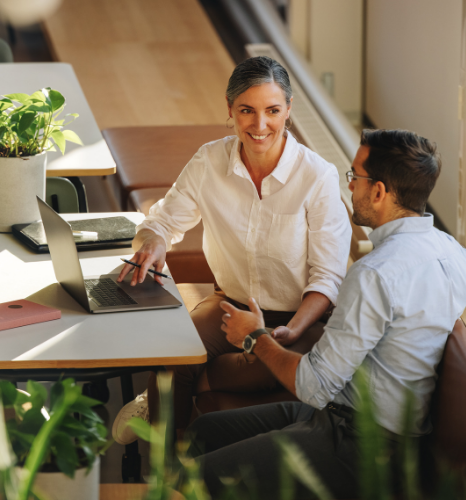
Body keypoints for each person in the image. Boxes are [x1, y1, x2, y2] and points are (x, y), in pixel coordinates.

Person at [186, 129, 466, 499]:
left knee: (197, 476)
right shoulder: (448, 251)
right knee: (203, 431)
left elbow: (312, 385)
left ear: (379, 191)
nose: (349, 186)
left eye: (354, 177)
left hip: (363, 447)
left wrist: (255, 337)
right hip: (347, 419)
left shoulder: (374, 274)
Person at [111, 56, 353, 443]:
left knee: (271, 365)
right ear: (230, 109)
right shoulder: (209, 161)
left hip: (300, 318)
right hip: (230, 306)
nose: (260, 125)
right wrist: (154, 243)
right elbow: (162, 222)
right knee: (172, 352)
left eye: (273, 111)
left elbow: (328, 278)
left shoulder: (317, 176)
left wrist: (288, 331)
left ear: (288, 110)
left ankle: (187, 385)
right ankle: (166, 471)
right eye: (247, 111)